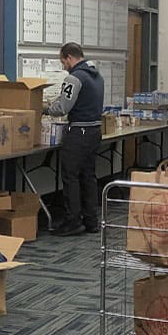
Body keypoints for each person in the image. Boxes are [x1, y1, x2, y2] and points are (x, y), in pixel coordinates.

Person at [44, 42, 104, 236]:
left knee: (70, 177)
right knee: (88, 176)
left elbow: (62, 108)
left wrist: (43, 108)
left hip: (78, 132)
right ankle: (91, 221)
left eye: (63, 62)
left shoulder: (74, 78)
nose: (64, 67)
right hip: (95, 131)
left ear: (69, 57)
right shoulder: (97, 76)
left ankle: (72, 221)